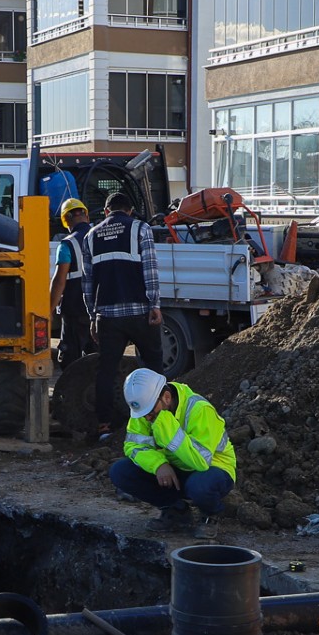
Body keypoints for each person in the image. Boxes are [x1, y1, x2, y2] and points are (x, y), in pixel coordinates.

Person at [108, 367, 237, 536]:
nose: (147, 418)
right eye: (144, 414)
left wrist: (167, 428)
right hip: (174, 469)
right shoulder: (146, 409)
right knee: (120, 472)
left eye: (150, 413)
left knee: (200, 486)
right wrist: (159, 465)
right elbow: (133, 446)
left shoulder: (199, 409)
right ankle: (176, 511)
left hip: (213, 470)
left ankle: (210, 515)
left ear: (167, 397)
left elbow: (201, 461)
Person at [80, 191, 163, 442]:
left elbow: (87, 281)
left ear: (106, 212)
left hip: (108, 316)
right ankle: (158, 420)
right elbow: (150, 268)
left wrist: (92, 315)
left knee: (106, 370)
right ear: (129, 210)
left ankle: (105, 426)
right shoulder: (141, 228)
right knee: (154, 368)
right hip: (140, 312)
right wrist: (155, 304)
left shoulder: (91, 235)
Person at [49, 198, 94, 365]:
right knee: (96, 358)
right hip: (100, 307)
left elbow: (59, 280)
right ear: (87, 217)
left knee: (70, 358)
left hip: (75, 310)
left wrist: (49, 309)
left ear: (65, 221)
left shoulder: (67, 244)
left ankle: (71, 390)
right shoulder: (102, 237)